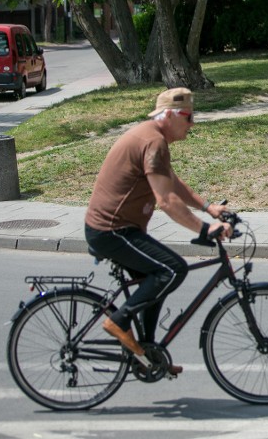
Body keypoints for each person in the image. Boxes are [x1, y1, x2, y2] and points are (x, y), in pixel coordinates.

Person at [85, 87, 232, 373]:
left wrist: (208, 207)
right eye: (188, 117)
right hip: (111, 230)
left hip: (119, 228)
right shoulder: (153, 142)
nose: (192, 123)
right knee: (172, 269)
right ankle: (119, 320)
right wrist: (206, 229)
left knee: (157, 278)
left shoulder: (151, 136)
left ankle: (148, 351)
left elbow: (172, 182)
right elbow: (167, 200)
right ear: (171, 115)